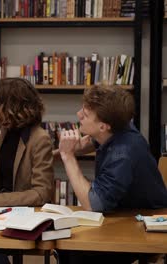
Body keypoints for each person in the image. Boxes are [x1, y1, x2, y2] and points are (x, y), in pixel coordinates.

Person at [57, 85, 167, 263]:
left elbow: (93, 205)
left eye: (85, 114)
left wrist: (68, 156)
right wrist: (90, 143)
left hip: (143, 221)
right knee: (67, 246)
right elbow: (103, 138)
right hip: (124, 213)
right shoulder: (120, 127)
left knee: (76, 250)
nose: (78, 115)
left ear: (103, 126)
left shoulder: (122, 154)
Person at [0, 77, 54, 264]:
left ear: (9, 105)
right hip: (2, 213)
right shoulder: (8, 130)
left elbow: (42, 193)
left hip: (27, 219)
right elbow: (12, 169)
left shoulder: (40, 139)